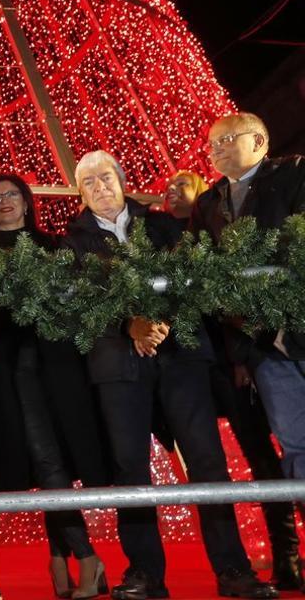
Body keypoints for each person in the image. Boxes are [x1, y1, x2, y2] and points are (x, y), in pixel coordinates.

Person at [63, 151, 274, 600]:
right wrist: (129, 325)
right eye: (89, 183)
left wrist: (158, 321)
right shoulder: (70, 242)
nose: (100, 187)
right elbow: (80, 300)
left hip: (180, 355)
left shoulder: (162, 225)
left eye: (106, 177)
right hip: (118, 365)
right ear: (80, 193)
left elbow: (190, 278)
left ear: (122, 182)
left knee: (207, 462)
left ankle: (233, 570)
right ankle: (145, 575)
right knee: (130, 468)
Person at [0, 175, 110, 599]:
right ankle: (82, 556)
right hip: (6, 367)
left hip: (56, 365)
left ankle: (69, 557)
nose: (4, 202)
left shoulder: (55, 246)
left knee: (53, 459)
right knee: (42, 459)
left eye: (11, 195)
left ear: (27, 201)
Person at [190, 112, 305, 590]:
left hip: (297, 321)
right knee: (296, 445)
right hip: (262, 346)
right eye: (211, 144)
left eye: (226, 141)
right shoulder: (209, 203)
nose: (214, 151)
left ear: (259, 140)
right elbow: (204, 271)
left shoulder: (295, 174)